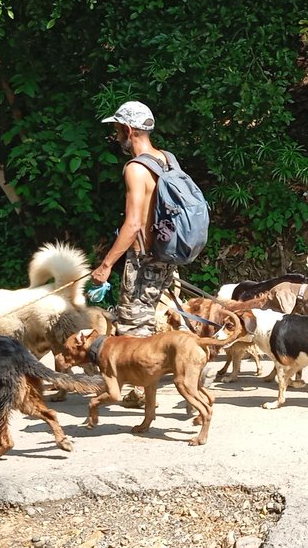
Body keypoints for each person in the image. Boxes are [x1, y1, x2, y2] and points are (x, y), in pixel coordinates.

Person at [92, 100, 178, 407]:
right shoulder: (167, 159)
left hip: (143, 260)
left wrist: (105, 266)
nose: (116, 136)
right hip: (168, 256)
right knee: (158, 319)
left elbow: (132, 225)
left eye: (117, 129)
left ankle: (139, 390)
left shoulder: (135, 168)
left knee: (131, 326)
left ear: (128, 130)